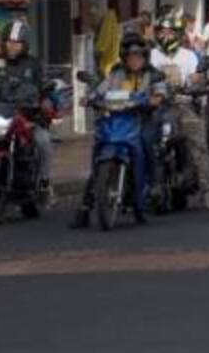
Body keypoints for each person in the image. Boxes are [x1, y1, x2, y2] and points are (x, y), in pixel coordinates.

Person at [71, 33, 167, 228]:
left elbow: (160, 92)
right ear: (124, 58)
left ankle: (155, 185)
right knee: (99, 154)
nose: (134, 60)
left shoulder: (154, 74)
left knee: (147, 142)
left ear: (145, 57)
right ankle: (85, 207)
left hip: (142, 119)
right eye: (130, 57)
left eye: (138, 56)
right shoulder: (116, 73)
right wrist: (89, 98)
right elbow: (100, 90)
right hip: (117, 120)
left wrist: (155, 99)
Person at [0, 20, 55, 203]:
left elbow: (45, 89)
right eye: (8, 42)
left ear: (24, 44)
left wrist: (46, 100)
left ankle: (45, 183)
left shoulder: (34, 65)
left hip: (28, 119)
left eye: (16, 42)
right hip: (1, 118)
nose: (12, 46)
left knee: (44, 142)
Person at [151, 9, 209, 210]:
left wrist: (196, 83)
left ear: (178, 34)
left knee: (198, 143)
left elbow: (197, 80)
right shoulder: (150, 56)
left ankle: (207, 190)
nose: (166, 36)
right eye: (162, 32)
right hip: (155, 108)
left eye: (170, 32)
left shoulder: (188, 57)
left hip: (182, 106)